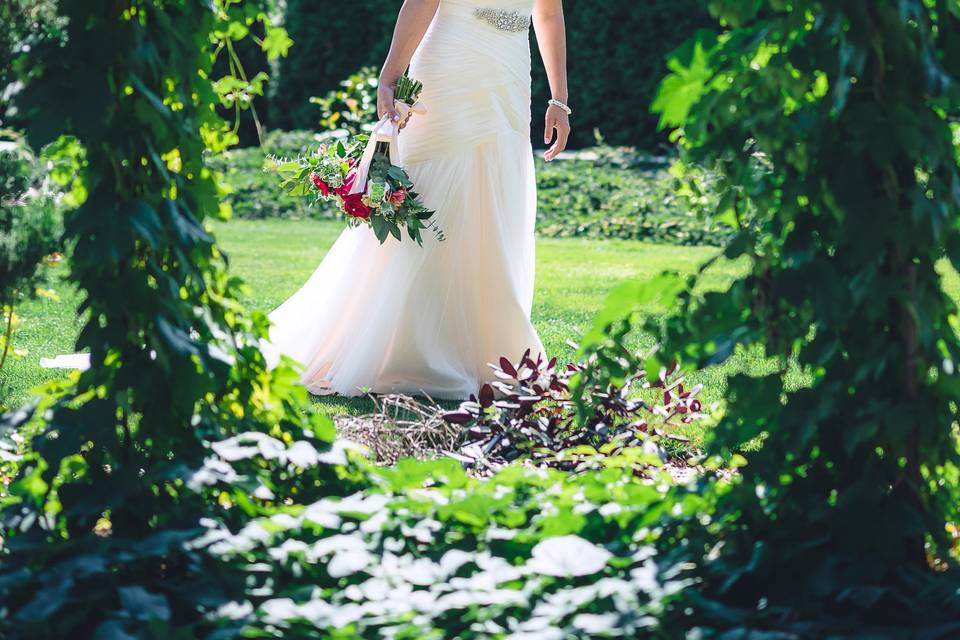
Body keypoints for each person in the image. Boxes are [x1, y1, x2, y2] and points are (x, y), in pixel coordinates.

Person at [266, 0, 571, 399]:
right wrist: (389, 78)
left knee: (492, 200)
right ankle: (404, 346)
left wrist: (559, 100)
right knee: (432, 195)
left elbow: (547, 14)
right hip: (450, 67)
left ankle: (486, 345)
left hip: (509, 77)